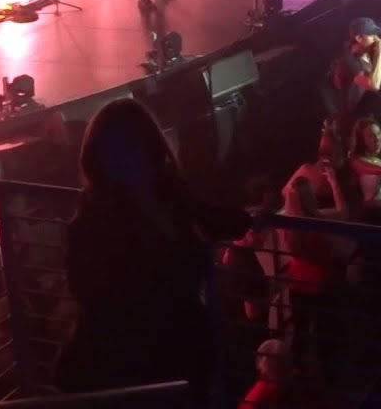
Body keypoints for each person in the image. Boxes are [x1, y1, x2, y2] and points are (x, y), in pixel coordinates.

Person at [57, 98, 249, 400]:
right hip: (139, 367)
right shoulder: (93, 223)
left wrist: (247, 219)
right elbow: (99, 302)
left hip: (180, 352)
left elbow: (201, 216)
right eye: (123, 149)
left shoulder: (168, 194)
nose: (132, 157)